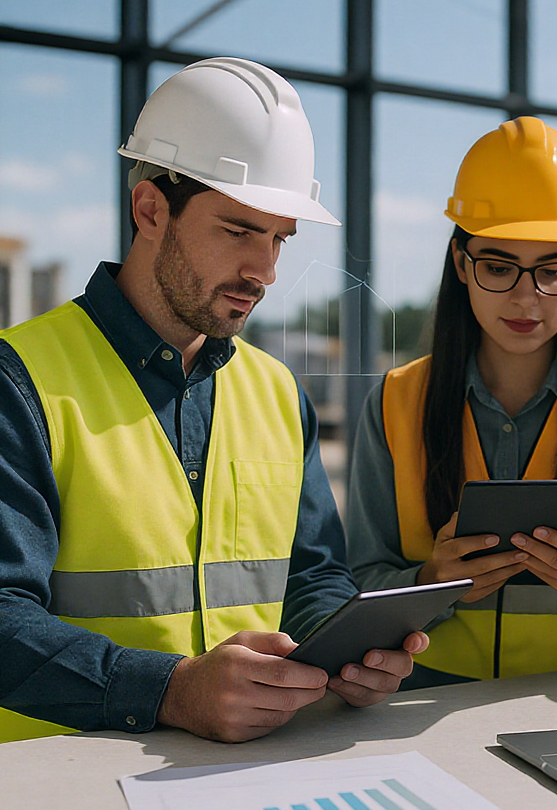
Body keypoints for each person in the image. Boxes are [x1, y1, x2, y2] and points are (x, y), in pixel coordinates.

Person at [0, 57, 426, 744]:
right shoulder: (20, 381)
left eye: (279, 238)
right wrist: (169, 690)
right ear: (150, 210)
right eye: (239, 231)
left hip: (243, 774)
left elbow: (311, 575)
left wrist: (346, 651)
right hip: (61, 782)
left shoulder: (277, 393)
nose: (266, 271)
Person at [346, 116, 557, 687]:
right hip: (416, 708)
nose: (527, 297)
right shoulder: (393, 403)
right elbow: (355, 582)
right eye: (499, 268)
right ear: (461, 264)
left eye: (552, 270)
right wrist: (430, 583)